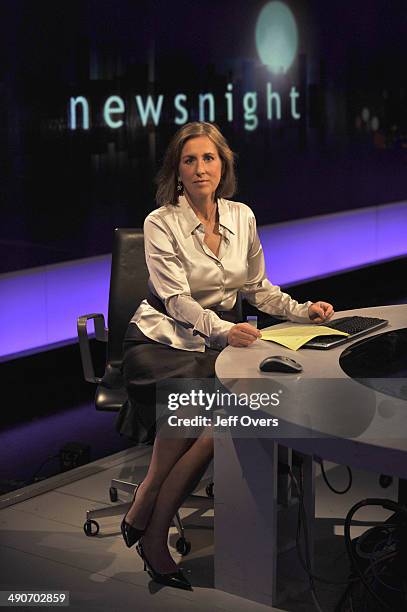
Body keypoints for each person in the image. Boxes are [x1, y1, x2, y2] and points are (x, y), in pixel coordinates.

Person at [118, 121, 334, 590]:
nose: (200, 168)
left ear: (224, 165)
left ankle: (150, 511)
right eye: (190, 160)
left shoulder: (242, 216)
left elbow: (257, 289)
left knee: (226, 426)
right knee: (192, 406)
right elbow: (176, 301)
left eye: (209, 158)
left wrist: (302, 311)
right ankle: (153, 518)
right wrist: (222, 331)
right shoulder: (162, 222)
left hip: (216, 344)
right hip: (161, 342)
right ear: (177, 169)